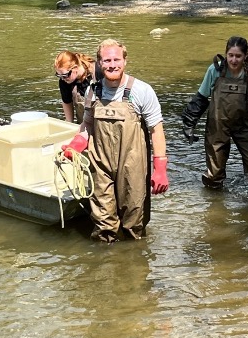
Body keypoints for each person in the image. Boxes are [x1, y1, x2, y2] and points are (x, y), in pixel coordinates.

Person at [62, 38, 169, 242]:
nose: (112, 65)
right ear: (100, 63)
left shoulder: (141, 91)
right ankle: (106, 267)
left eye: (116, 60)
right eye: (107, 61)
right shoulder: (93, 92)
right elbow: (87, 126)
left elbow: (156, 130)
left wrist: (160, 169)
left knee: (133, 224)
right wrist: (75, 145)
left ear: (125, 61)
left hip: (133, 166)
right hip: (100, 166)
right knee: (103, 224)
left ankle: (134, 266)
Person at [180, 35, 248, 194]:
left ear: (246, 56)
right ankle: (215, 205)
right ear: (226, 54)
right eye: (231, 55)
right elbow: (201, 98)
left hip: (245, 127)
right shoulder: (214, 71)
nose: (234, 60)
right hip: (217, 127)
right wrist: (189, 124)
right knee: (214, 175)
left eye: (238, 56)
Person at [53, 50, 99, 124]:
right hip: (83, 124)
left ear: (75, 68)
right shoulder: (64, 81)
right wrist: (69, 123)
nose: (62, 79)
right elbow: (67, 102)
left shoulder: (98, 71)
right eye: (58, 75)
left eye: (65, 76)